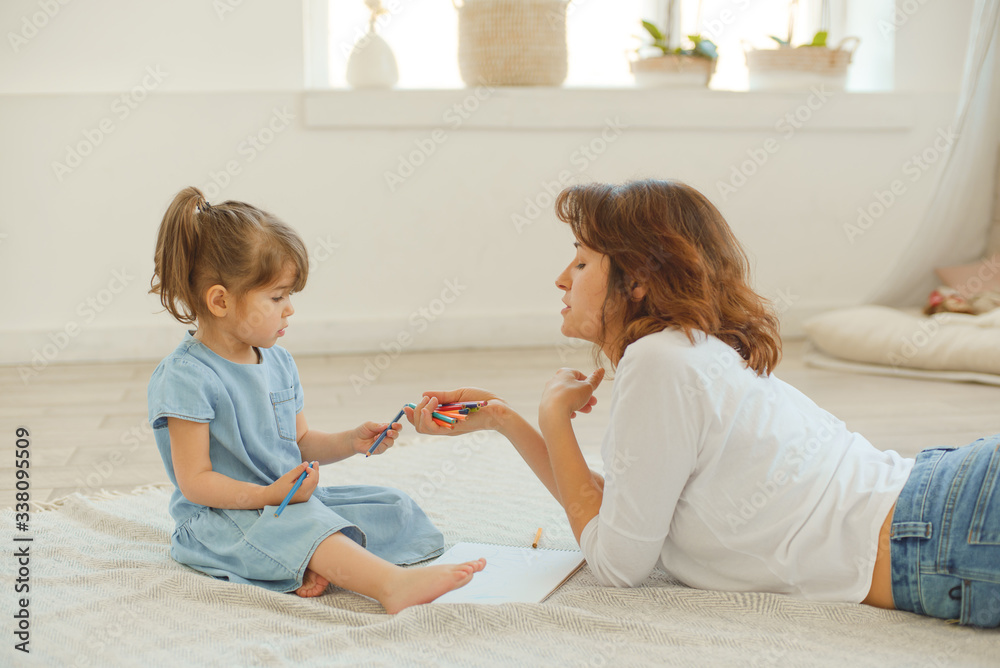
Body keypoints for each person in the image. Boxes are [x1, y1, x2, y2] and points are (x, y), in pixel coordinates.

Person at [406, 179, 1000, 627]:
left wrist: (552, 416)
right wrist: (505, 421)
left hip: (943, 531)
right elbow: (627, 518)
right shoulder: (685, 352)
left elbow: (617, 564)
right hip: (944, 509)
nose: (562, 279)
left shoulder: (659, 361)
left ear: (636, 280)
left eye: (583, 260)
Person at [146, 187, 484, 614]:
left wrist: (351, 442)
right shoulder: (187, 376)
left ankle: (310, 558)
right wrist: (268, 496)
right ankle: (389, 584)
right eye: (277, 297)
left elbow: (300, 442)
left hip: (286, 504)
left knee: (391, 506)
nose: (289, 310)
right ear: (220, 300)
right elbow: (196, 482)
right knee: (306, 524)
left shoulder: (279, 361)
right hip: (222, 517)